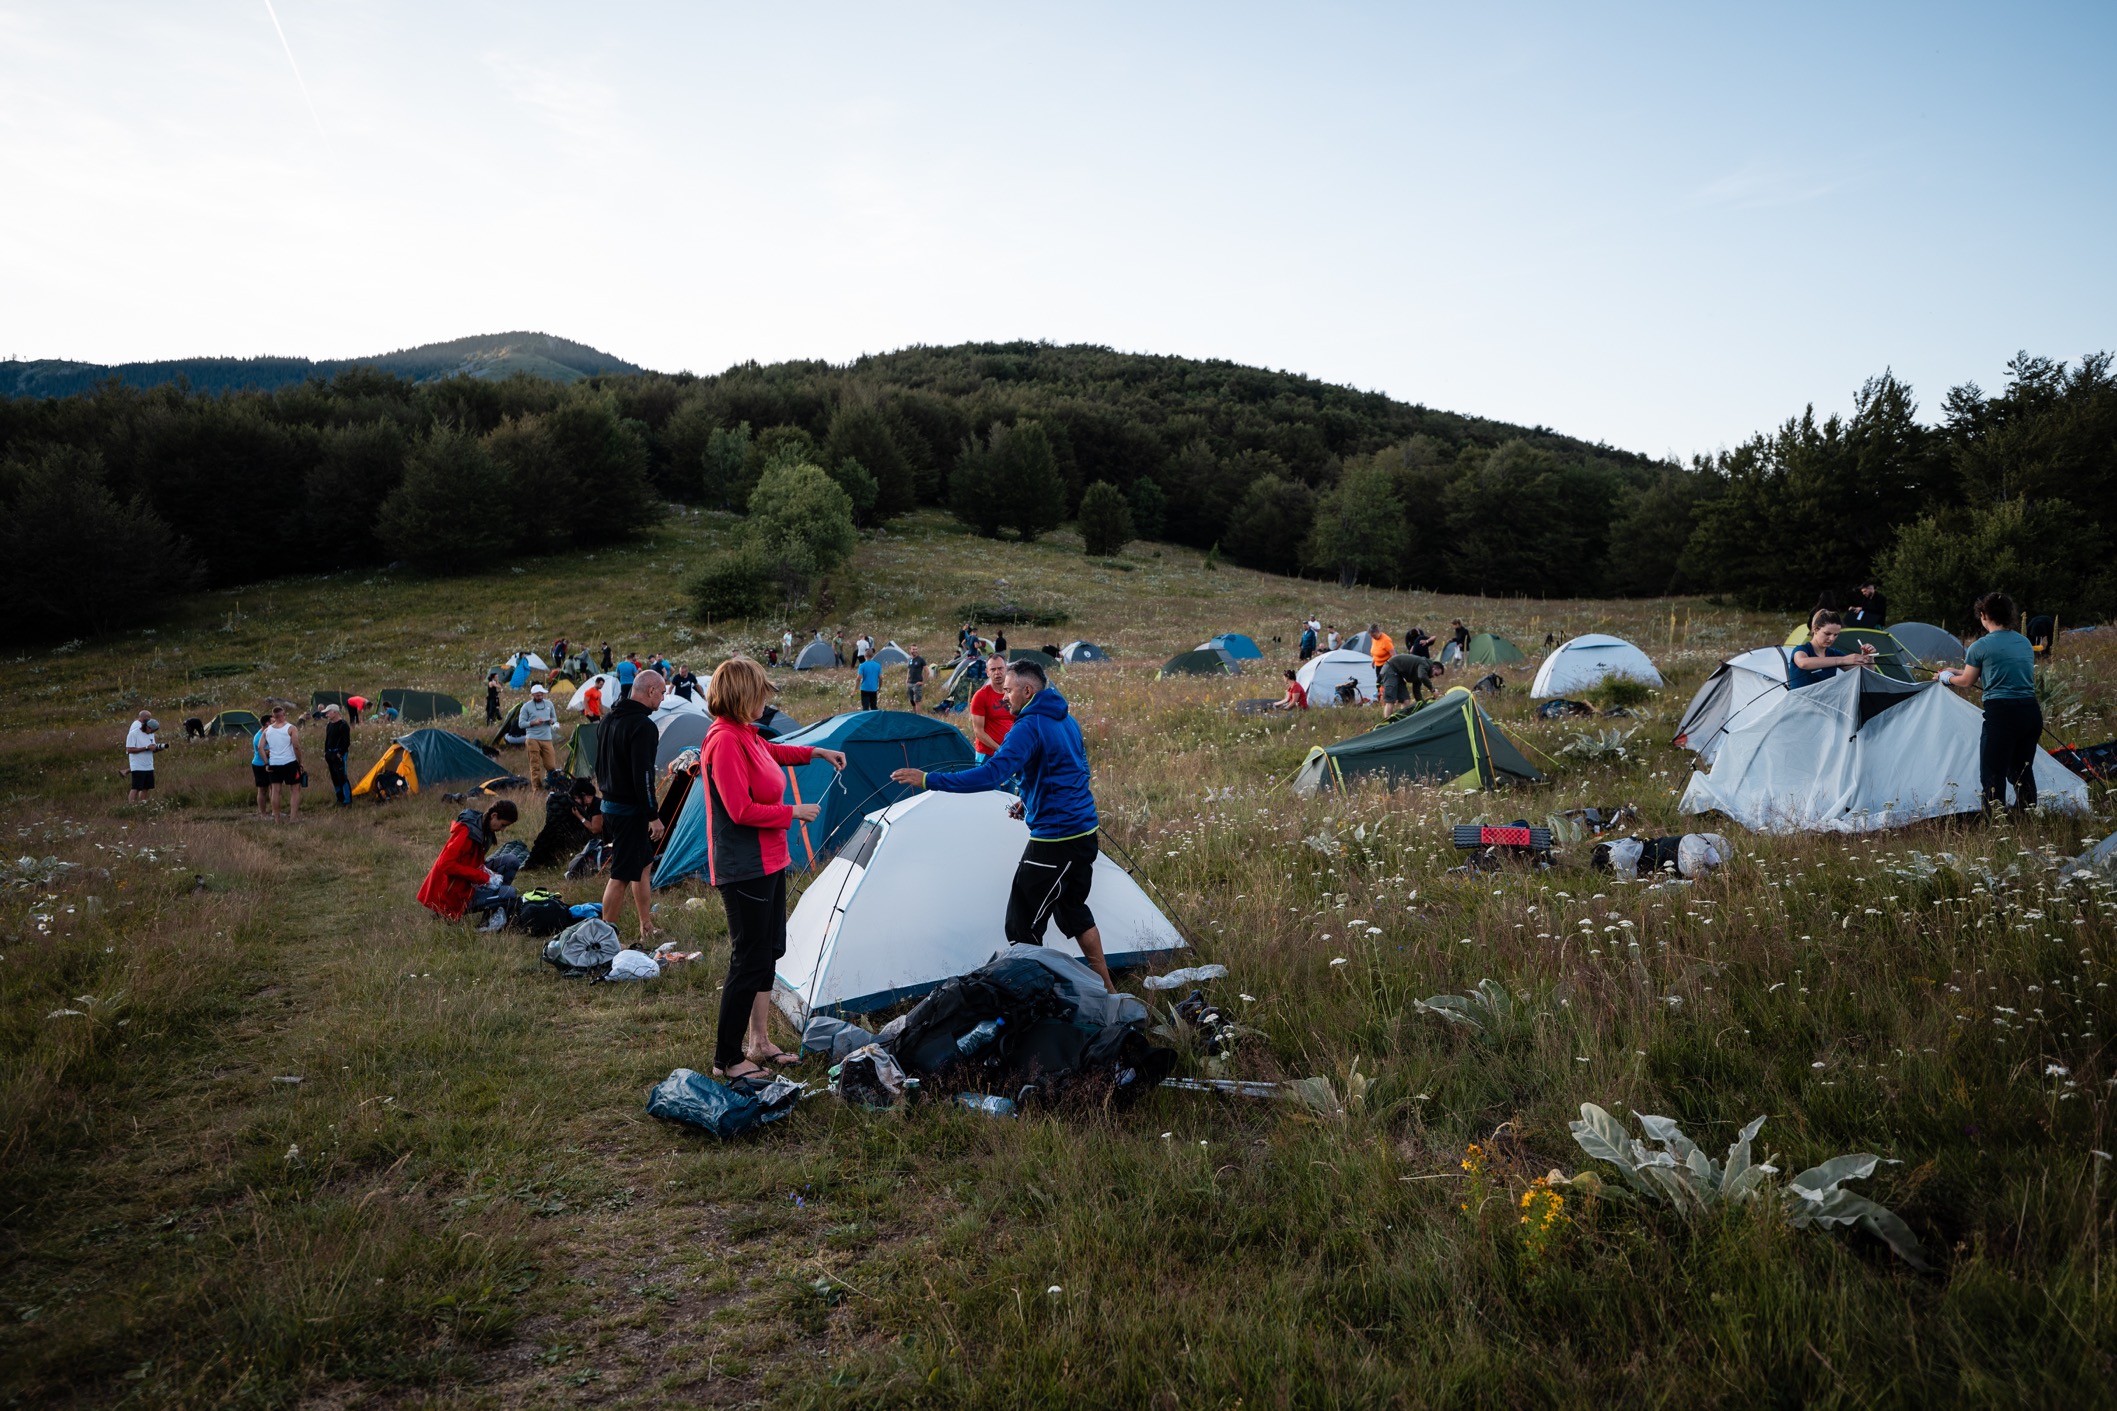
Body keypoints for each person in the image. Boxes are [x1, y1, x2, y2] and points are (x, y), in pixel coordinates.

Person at [891, 661, 1112, 987]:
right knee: (1073, 910)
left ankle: (1044, 1000)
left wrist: (928, 779)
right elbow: (1074, 769)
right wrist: (1030, 799)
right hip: (1083, 833)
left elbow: (991, 774)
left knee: (1021, 925)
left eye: (1008, 690)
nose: (1003, 697)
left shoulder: (1029, 726)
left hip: (1056, 841)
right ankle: (1106, 990)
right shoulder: (1065, 718)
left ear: (1027, 690)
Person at [696, 657, 847, 1079]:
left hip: (769, 860)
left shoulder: (745, 733)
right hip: (743, 866)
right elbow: (739, 809)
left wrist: (816, 752)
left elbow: (772, 751)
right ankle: (727, 1058)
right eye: (760, 692)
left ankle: (758, 1041)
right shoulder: (723, 739)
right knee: (749, 958)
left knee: (769, 953)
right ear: (743, 694)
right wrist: (792, 811)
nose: (766, 699)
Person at [1941, 592, 2041, 812]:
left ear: (1983, 614)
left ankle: (1995, 819)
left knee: (1992, 770)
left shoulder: (1980, 646)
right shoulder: (2023, 642)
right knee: (2021, 768)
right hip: (2030, 711)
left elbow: (1967, 681)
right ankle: (2028, 813)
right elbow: (1994, 670)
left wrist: (1946, 678)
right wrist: (1955, 670)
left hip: (2002, 714)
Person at [595, 668, 669, 942]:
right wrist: (653, 815)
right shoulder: (643, 726)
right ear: (650, 691)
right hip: (629, 811)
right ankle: (604, 939)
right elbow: (644, 775)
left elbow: (599, 765)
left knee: (642, 866)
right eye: (661, 692)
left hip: (609, 805)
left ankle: (646, 926)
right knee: (621, 875)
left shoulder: (608, 719)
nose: (663, 698)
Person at [417, 799, 519, 921]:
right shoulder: (466, 832)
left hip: (465, 882)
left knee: (511, 861)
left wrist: (488, 873)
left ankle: (494, 911)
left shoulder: (482, 826)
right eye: (503, 825)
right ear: (494, 815)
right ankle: (448, 914)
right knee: (509, 893)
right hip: (452, 893)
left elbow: (471, 861)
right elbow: (446, 864)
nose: (502, 830)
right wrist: (483, 877)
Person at [1787, 611, 1877, 688]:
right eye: (1827, 633)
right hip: (1800, 703)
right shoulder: (1802, 650)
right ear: (1815, 629)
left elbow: (1865, 675)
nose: (1831, 639)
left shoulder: (1833, 653)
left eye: (1836, 635)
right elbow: (1803, 663)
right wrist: (1843, 660)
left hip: (1825, 704)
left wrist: (1869, 658)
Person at [259, 704, 303, 822]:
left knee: (275, 791)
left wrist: (266, 763)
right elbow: (296, 746)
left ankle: (277, 818)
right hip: (289, 762)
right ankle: (293, 818)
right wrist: (300, 761)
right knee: (295, 789)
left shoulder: (267, 730)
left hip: (274, 764)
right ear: (283, 715)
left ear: (274, 716)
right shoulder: (291, 728)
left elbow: (260, 748)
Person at [969, 654, 1015, 758]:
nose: (997, 673)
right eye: (993, 669)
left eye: (1000, 668)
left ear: (1006, 669)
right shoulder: (980, 696)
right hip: (987, 754)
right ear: (987, 672)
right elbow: (978, 731)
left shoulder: (1014, 694)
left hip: (1011, 751)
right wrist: (1000, 749)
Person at [519, 683, 559, 789]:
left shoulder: (549, 704)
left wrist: (552, 721)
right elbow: (521, 723)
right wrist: (533, 722)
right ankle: (536, 788)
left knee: (551, 765)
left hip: (547, 738)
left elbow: (554, 718)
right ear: (532, 695)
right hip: (532, 738)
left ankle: (549, 784)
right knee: (535, 765)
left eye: (541, 695)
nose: (540, 697)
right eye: (537, 695)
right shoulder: (526, 707)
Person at [124, 711, 164, 802]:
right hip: (137, 765)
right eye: (152, 730)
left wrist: (157, 748)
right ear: (147, 726)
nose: (152, 732)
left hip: (149, 764)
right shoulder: (134, 733)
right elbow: (129, 750)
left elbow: (152, 747)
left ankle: (143, 804)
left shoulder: (151, 734)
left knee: (147, 787)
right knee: (136, 787)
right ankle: (131, 806)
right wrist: (146, 748)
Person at [321, 704, 353, 806]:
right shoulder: (329, 725)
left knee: (342, 776)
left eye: (328, 712)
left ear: (335, 712)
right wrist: (326, 752)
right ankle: (339, 798)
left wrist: (340, 753)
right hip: (330, 754)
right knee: (334, 776)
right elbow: (327, 740)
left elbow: (346, 741)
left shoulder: (343, 725)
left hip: (339, 754)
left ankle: (347, 800)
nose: (327, 715)